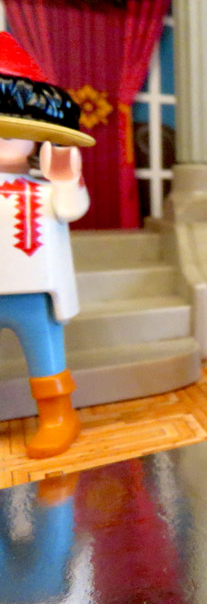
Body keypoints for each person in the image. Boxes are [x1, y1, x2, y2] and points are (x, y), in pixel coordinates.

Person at [0, 32, 92, 458]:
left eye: (12, 132)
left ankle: (58, 416)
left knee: (45, 352)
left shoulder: (45, 187)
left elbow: (72, 208)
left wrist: (66, 180)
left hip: (36, 291)